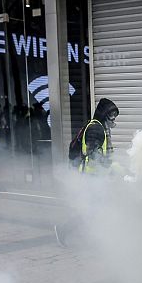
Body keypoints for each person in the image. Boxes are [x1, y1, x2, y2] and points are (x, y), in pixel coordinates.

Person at [54, 98, 119, 247]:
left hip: (96, 176)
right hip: (91, 177)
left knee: (94, 209)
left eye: (115, 114)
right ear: (104, 113)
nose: (114, 118)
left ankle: (92, 237)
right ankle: (64, 230)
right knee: (91, 210)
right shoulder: (96, 128)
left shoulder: (101, 127)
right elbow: (92, 153)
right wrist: (108, 167)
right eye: (112, 114)